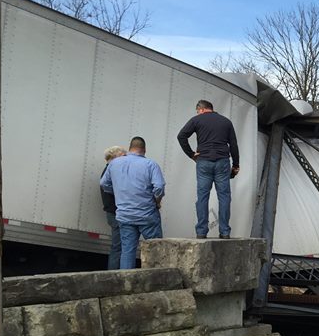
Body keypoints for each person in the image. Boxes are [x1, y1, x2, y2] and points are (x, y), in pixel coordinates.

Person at [99, 136, 165, 269]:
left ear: (129, 148)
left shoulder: (114, 164)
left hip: (125, 216)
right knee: (156, 249)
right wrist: (156, 201)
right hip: (147, 215)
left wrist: (117, 192)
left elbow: (103, 183)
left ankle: (126, 283)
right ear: (144, 149)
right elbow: (159, 188)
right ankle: (155, 279)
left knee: (127, 251)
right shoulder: (151, 164)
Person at [177, 99, 240, 239]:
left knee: (202, 197)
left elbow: (181, 136)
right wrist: (236, 165)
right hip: (222, 162)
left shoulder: (196, 120)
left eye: (197, 111)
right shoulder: (226, 121)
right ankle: (224, 232)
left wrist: (192, 154)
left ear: (201, 109)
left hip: (204, 161)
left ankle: (201, 231)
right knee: (224, 197)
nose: (197, 113)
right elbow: (233, 145)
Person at [99, 145, 127, 269]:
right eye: (123, 156)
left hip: (113, 214)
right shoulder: (110, 174)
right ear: (115, 158)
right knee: (118, 247)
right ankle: (114, 273)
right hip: (116, 214)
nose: (125, 159)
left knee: (118, 246)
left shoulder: (107, 172)